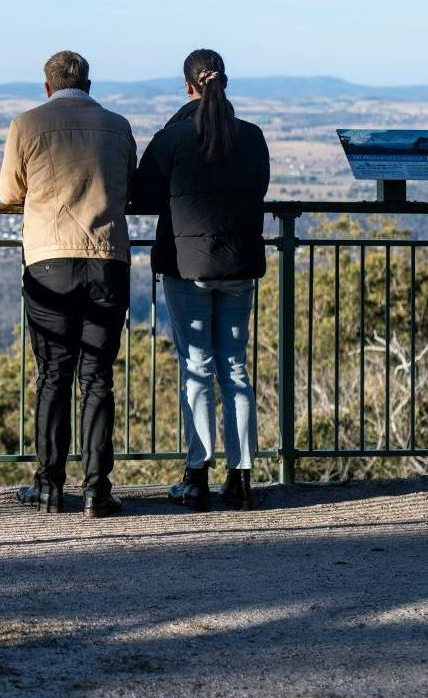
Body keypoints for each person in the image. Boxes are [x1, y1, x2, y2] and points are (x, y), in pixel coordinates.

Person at [0, 50, 136, 517]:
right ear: (90, 85)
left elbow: (9, 193)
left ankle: (49, 487)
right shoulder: (118, 126)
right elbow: (129, 187)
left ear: (47, 87)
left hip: (49, 263)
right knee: (97, 377)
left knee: (54, 375)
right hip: (107, 260)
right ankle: (98, 490)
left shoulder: (27, 124)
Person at [131, 49, 270, 512]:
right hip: (239, 265)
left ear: (189, 86)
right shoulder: (252, 137)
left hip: (186, 266)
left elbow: (142, 193)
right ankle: (243, 475)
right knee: (234, 369)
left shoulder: (173, 138)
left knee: (197, 368)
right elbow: (259, 189)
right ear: (225, 83)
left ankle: (197, 475)